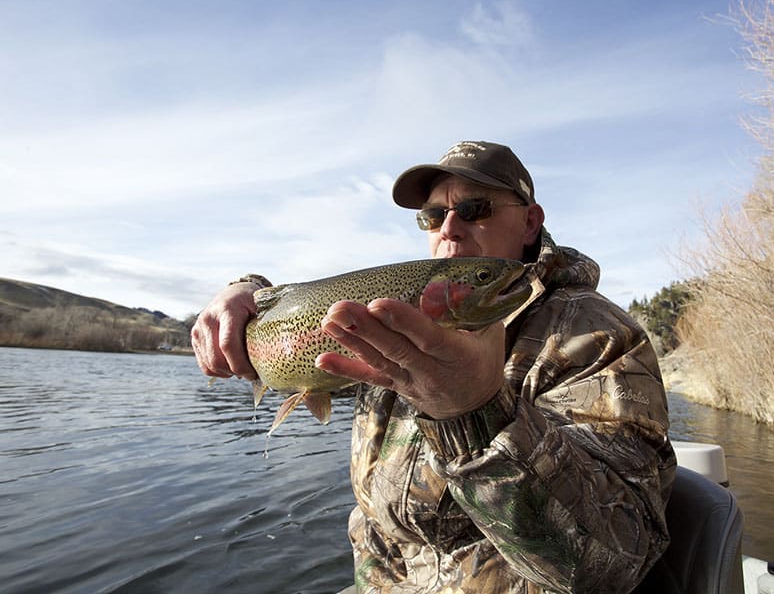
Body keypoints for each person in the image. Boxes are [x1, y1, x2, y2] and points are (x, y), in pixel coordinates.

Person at [192, 140, 676, 593]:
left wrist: (474, 412)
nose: (449, 227)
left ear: (530, 223)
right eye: (432, 215)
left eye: (474, 209)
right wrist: (249, 295)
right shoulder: (399, 311)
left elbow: (616, 562)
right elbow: (312, 312)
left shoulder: (597, 337)